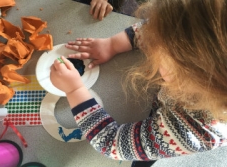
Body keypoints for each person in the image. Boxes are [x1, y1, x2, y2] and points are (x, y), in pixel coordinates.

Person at [50, 0, 227, 167]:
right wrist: (113, 44)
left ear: (185, 78)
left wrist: (74, 89)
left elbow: (111, 142)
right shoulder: (196, 28)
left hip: (160, 134)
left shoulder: (196, 131)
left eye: (159, 56)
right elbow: (159, 29)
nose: (152, 50)